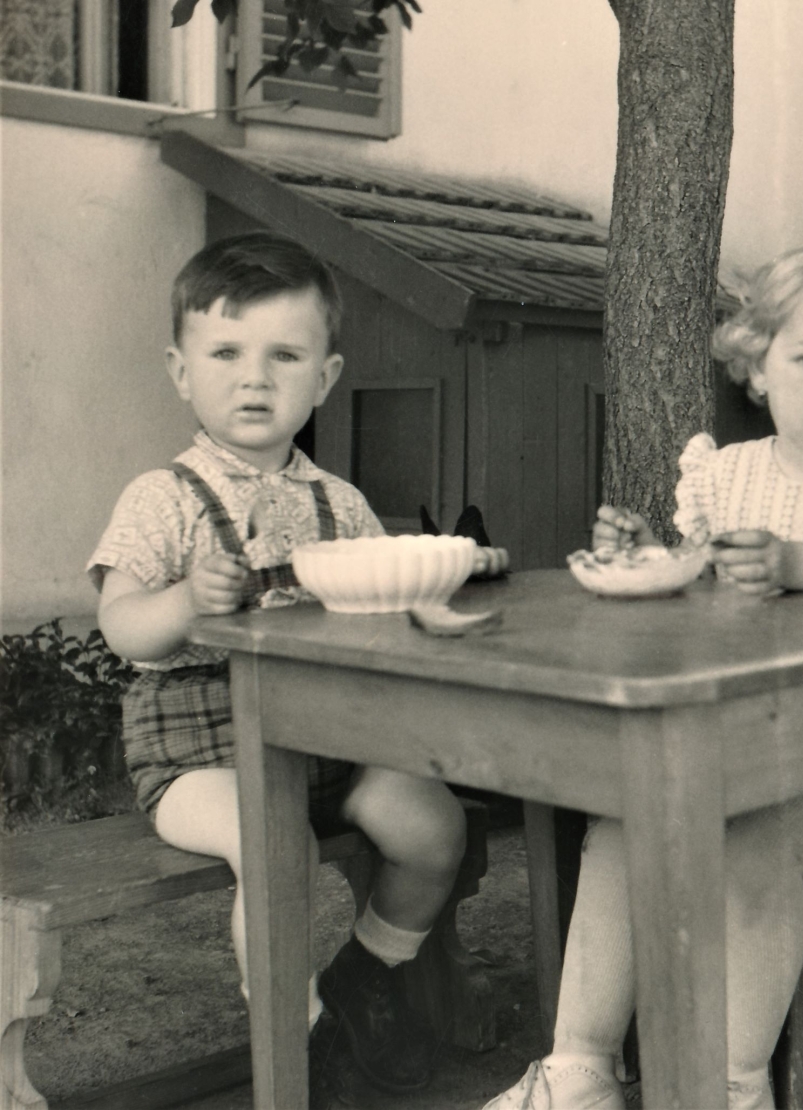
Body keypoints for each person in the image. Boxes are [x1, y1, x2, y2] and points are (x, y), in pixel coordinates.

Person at [483, 237, 803, 1110]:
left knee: (750, 842)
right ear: (760, 364)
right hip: (738, 754)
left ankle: (731, 1088)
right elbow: (695, 586)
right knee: (624, 817)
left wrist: (793, 562)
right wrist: (643, 557)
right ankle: (580, 1069)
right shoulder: (723, 474)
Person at [88, 231, 506, 1107]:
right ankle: (303, 1034)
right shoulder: (162, 497)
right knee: (272, 840)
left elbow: (383, 600)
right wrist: (182, 603)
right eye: (227, 353)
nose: (255, 378)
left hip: (327, 731)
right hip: (201, 748)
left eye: (285, 355)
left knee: (431, 824)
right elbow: (123, 626)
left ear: (323, 378)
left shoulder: (339, 503)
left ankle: (370, 971)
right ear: (180, 370)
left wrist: (437, 592)